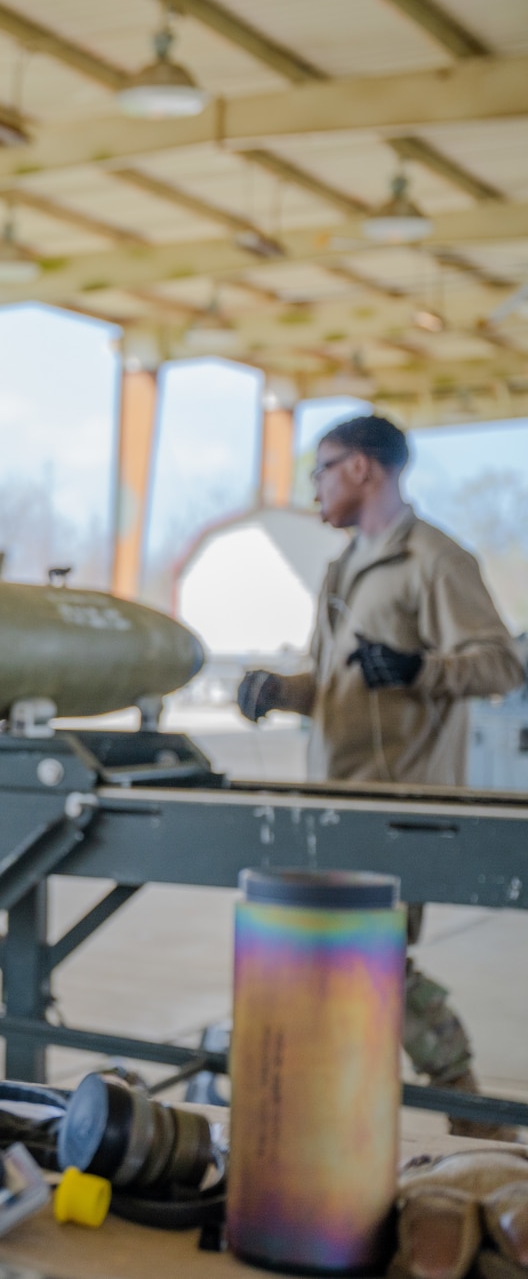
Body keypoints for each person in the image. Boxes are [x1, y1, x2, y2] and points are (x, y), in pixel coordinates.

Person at [239, 414, 525, 1139]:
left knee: (371, 963)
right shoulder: (342, 567)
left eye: (322, 468)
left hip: (402, 801)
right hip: (335, 796)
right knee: (340, 965)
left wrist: (418, 669)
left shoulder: (434, 559)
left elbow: (502, 663)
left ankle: (465, 1103)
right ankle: (352, 1114)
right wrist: (282, 690)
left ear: (363, 468)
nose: (315, 487)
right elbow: (334, 682)